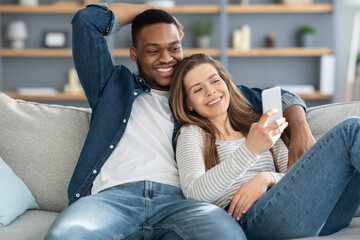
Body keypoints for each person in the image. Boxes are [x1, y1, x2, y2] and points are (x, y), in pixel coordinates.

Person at [45, 2, 313, 239]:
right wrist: (149, 10)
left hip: (182, 202)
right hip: (112, 199)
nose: (166, 58)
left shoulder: (199, 95)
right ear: (134, 54)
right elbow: (85, 22)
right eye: (153, 50)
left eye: (174, 48)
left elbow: (280, 96)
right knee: (65, 235)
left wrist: (300, 128)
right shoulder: (112, 87)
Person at [169, 53, 360, 239]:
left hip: (322, 217)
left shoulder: (258, 125)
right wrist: (249, 150)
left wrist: (266, 178)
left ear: (226, 83)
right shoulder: (192, 133)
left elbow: (291, 174)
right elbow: (194, 194)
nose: (210, 91)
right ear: (188, 103)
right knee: (351, 130)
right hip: (252, 219)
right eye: (197, 89)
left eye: (215, 81)